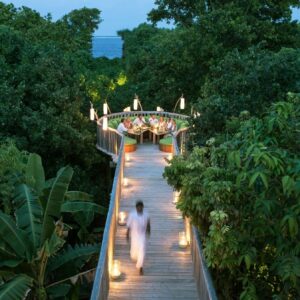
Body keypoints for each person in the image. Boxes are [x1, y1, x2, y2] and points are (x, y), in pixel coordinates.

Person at [126, 200, 150, 275]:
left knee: (142, 250)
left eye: (140, 207)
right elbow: (129, 226)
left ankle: (141, 267)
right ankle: (136, 259)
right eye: (138, 207)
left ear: (142, 207)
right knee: (134, 253)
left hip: (142, 235)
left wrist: (148, 231)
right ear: (136, 208)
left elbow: (148, 224)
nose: (139, 208)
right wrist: (127, 234)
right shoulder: (132, 215)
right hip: (134, 236)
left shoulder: (146, 215)